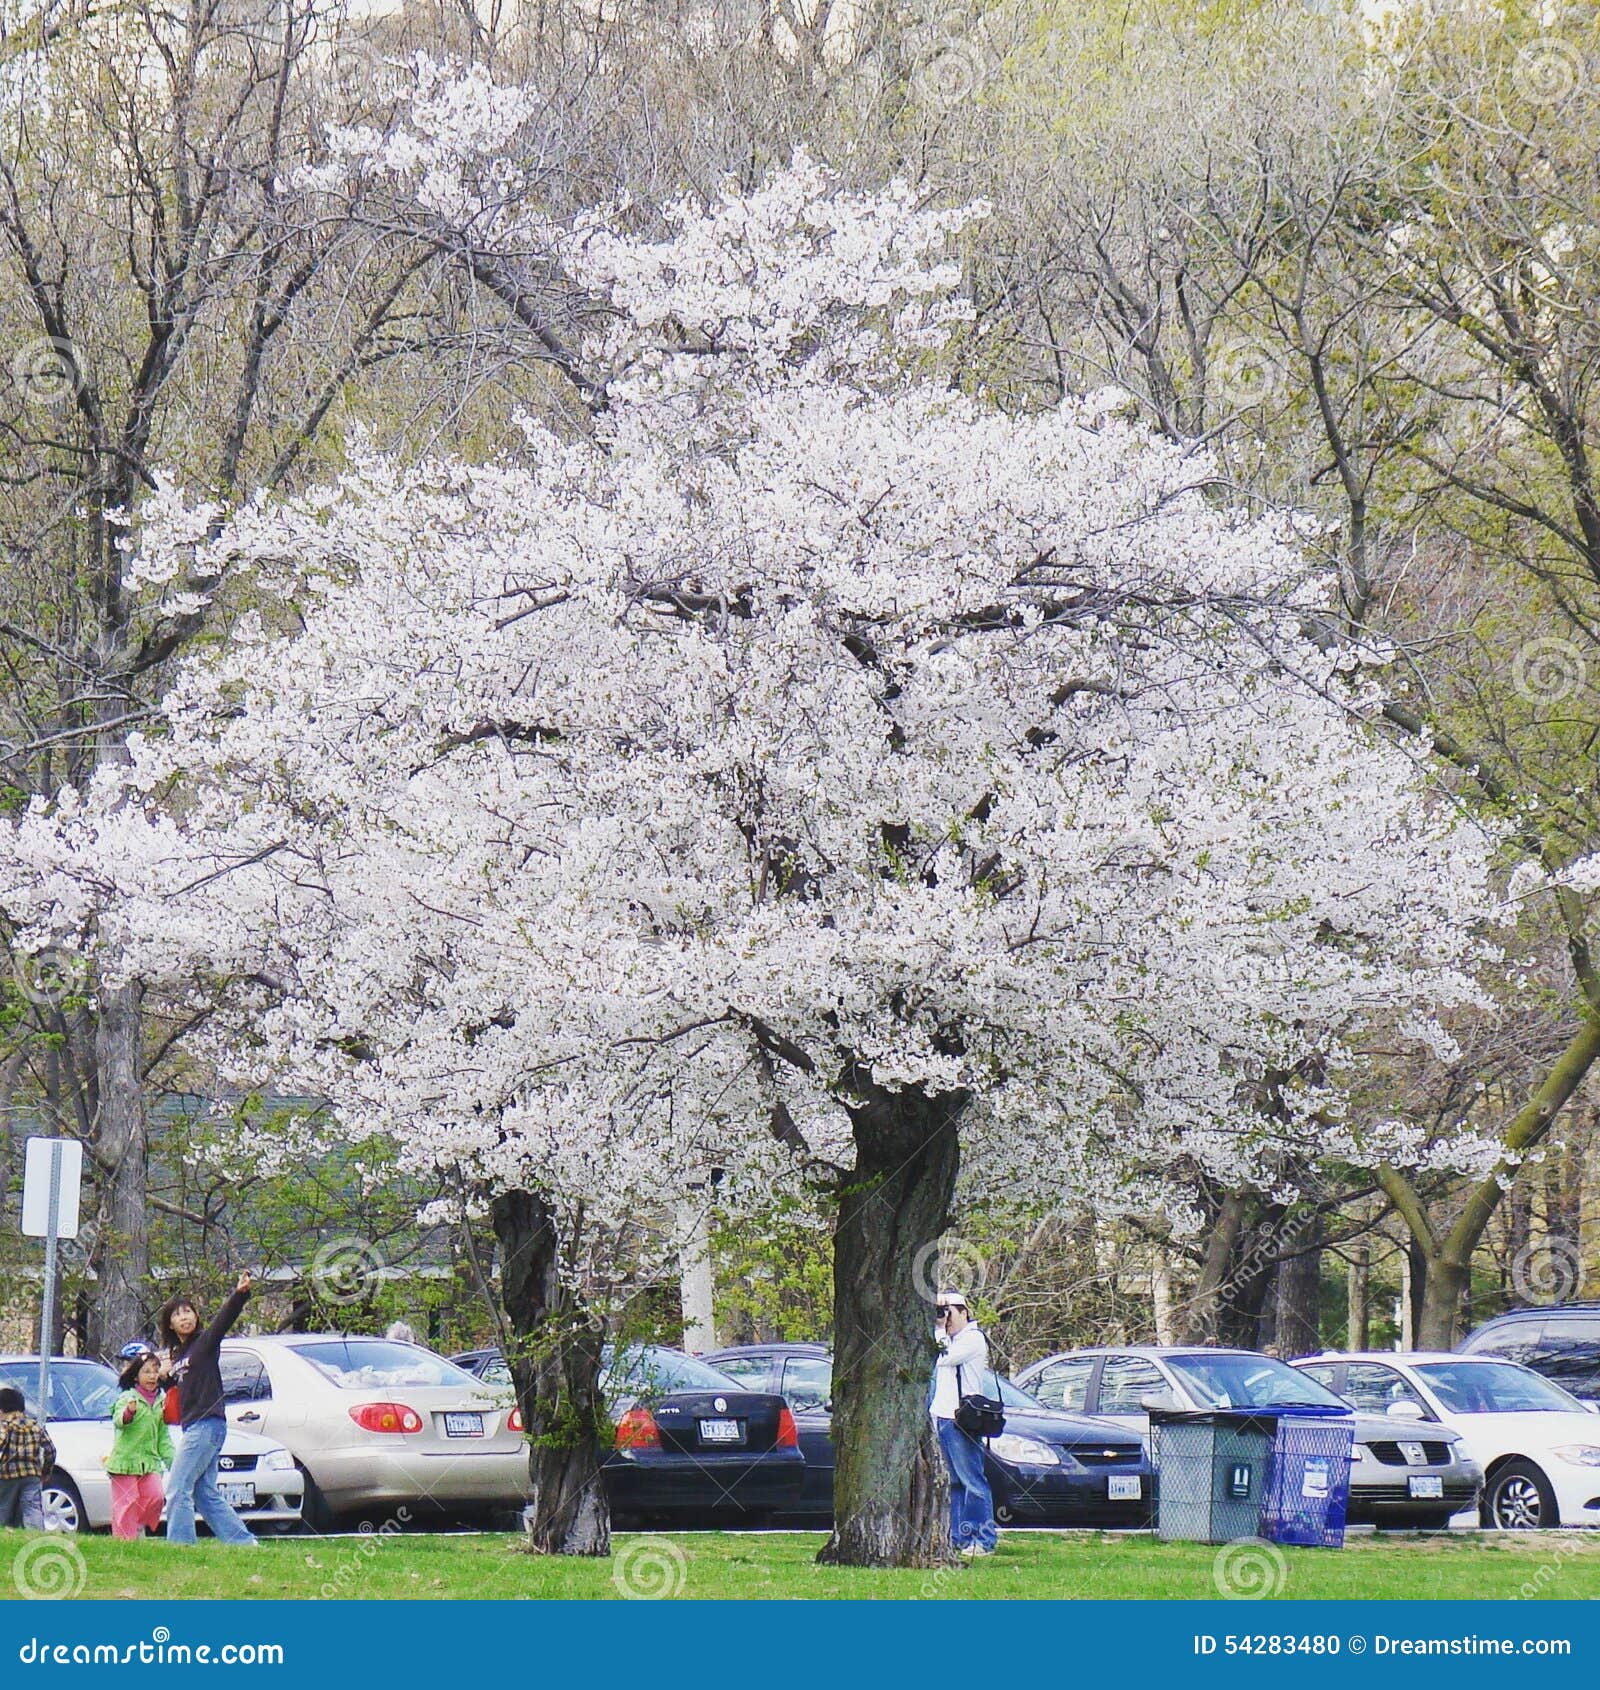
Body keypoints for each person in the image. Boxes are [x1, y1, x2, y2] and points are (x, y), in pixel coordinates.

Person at [156, 1271, 258, 1546]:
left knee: (177, 1488)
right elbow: (177, 1395)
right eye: (178, 1314)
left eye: (188, 1311)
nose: (185, 1317)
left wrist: (240, 1294)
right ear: (170, 1324)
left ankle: (181, 1546)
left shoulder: (205, 1343)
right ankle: (244, 1543)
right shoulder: (180, 1355)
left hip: (206, 1424)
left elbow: (224, 1320)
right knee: (204, 1493)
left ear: (196, 1316)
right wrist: (166, 1378)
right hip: (195, 1425)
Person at [930, 1289, 998, 1558]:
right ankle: (959, 1537)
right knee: (954, 1483)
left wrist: (938, 1330)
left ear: (964, 1312)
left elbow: (943, 1356)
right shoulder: (952, 1339)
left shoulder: (972, 1339)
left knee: (973, 1482)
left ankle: (985, 1539)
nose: (945, 1319)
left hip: (962, 1420)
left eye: (949, 1313)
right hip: (944, 1416)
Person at [107, 1348, 174, 1540]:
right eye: (146, 1372)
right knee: (126, 1502)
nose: (152, 1376)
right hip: (125, 1462)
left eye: (155, 1371)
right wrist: (130, 1412)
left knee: (156, 1497)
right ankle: (124, 1542)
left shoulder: (162, 1400)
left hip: (149, 1461)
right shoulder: (127, 1397)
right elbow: (119, 1421)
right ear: (136, 1376)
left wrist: (173, 1463)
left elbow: (163, 1437)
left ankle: (136, 1526)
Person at [0, 1385, 55, 1530]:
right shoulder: (35, 1426)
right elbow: (50, 1450)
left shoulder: (5, 1426)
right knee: (32, 1507)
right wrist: (46, 1471)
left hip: (7, 1476)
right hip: (32, 1475)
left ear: (1, 1411)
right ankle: (35, 1534)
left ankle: (5, 1533)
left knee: (4, 1507)